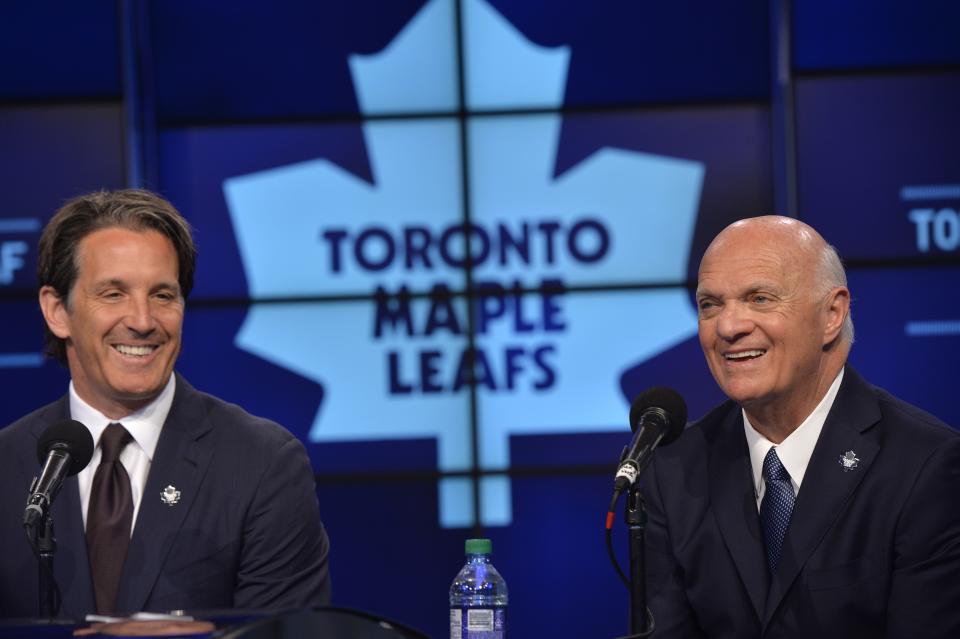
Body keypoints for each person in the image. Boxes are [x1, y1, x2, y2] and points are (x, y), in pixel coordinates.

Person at [0, 189, 331, 619]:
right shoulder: (7, 466)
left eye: (162, 295)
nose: (142, 321)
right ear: (57, 311)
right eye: (113, 294)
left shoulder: (262, 463)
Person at [641, 216, 960, 638]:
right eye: (709, 305)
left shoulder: (924, 466)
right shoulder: (672, 470)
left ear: (832, 313)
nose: (728, 327)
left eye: (759, 298)